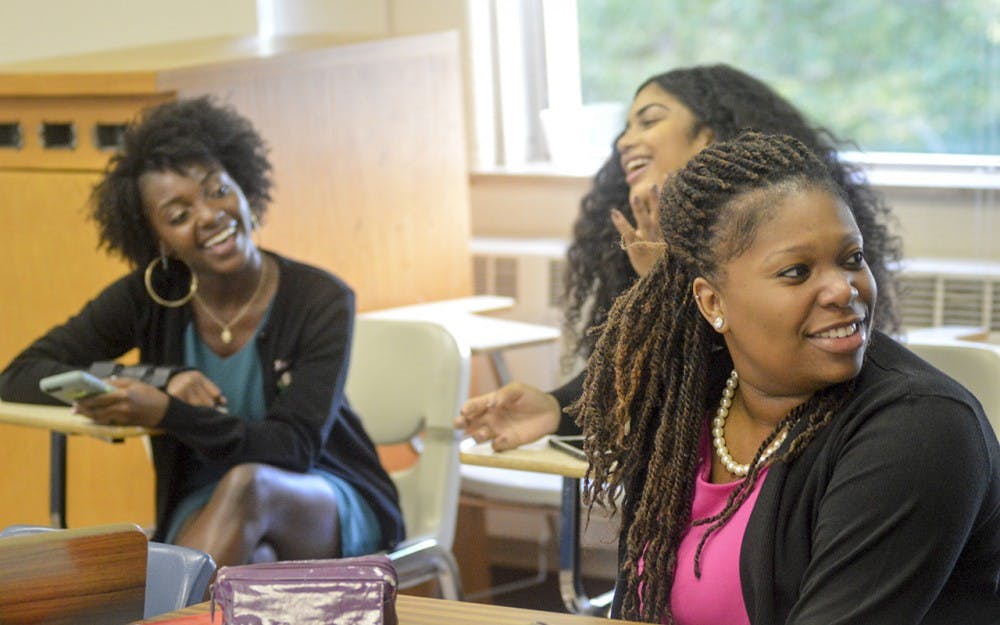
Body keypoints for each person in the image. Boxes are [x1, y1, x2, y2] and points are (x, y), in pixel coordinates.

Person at [574, 130, 1000, 624]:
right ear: (712, 302)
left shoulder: (919, 430)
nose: (843, 290)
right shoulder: (690, 398)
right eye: (796, 272)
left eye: (852, 259)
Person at [0, 97, 404, 567]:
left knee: (250, 486)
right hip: (202, 500)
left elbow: (291, 448)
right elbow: (21, 375)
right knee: (257, 562)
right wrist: (155, 379)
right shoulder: (149, 295)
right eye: (179, 215)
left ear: (242, 187)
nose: (209, 214)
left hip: (321, 493)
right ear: (158, 241)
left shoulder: (320, 299)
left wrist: (169, 412)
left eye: (217, 190)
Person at [456, 63, 903, 452]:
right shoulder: (645, 239)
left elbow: (737, 384)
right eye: (625, 128)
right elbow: (637, 383)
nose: (625, 142)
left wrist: (665, 287)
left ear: (709, 134)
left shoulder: (784, 227)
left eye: (648, 121)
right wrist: (557, 408)